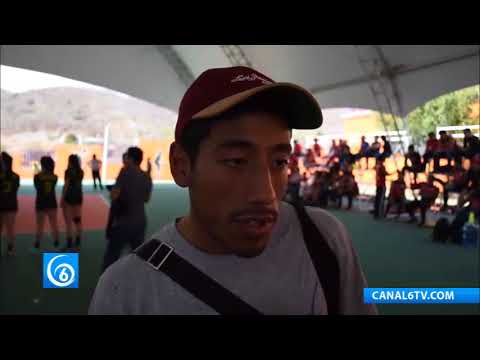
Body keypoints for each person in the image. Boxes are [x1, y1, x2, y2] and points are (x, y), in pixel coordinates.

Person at [89, 66, 377, 315]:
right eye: (236, 161)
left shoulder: (323, 237)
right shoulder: (125, 292)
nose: (265, 194)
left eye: (279, 161)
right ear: (181, 165)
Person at [101, 146, 153, 272]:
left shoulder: (124, 171)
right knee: (138, 257)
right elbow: (146, 199)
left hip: (123, 222)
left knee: (111, 257)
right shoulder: (146, 176)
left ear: (130, 159)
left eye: (127, 156)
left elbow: (114, 194)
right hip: (140, 222)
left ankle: (105, 287)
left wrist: (115, 191)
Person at [34, 156, 60, 249]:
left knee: (39, 225)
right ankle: (56, 243)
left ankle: (37, 244)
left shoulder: (37, 176)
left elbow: (37, 188)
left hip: (41, 203)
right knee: (54, 224)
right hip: (52, 202)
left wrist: (38, 173)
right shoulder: (55, 177)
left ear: (43, 165)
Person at [61, 154, 84, 250]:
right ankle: (78, 241)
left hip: (69, 197)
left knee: (68, 222)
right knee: (77, 220)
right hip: (78, 197)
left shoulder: (68, 171)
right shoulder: (81, 171)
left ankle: (69, 242)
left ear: (70, 161)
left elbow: (66, 185)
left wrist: (62, 197)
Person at [0, 152, 20, 256]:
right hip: (11, 204)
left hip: (3, 204)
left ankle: (10, 248)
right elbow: (15, 189)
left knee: (7, 228)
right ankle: (10, 248)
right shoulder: (16, 176)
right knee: (10, 228)